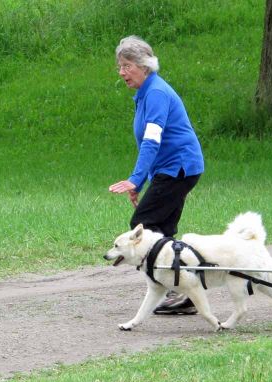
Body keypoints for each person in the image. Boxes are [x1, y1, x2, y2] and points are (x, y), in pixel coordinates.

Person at [109, 35, 203, 315]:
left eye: (127, 65)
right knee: (161, 228)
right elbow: (151, 144)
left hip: (179, 168)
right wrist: (143, 181)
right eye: (119, 66)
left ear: (145, 65)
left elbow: (153, 140)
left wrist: (136, 179)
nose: (122, 72)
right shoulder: (146, 93)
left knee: (143, 225)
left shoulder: (157, 93)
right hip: (172, 169)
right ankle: (184, 291)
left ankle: (180, 289)